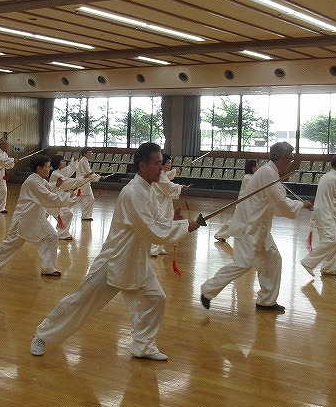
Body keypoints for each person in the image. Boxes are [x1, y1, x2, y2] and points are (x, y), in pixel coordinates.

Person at [29, 143, 205, 361]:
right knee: (81, 301)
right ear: (143, 165)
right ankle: (41, 335)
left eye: (162, 163)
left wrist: (176, 222)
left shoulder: (149, 189)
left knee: (156, 298)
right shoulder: (132, 192)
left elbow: (157, 221)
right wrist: (185, 226)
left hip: (136, 260)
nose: (162, 168)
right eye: (158, 163)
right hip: (115, 260)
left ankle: (142, 345)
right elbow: (152, 230)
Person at [199, 143, 311, 313]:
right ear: (282, 158)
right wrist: (302, 205)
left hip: (259, 227)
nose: (291, 162)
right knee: (243, 263)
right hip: (249, 226)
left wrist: (297, 205)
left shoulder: (270, 173)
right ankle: (208, 290)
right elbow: (281, 203)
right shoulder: (268, 173)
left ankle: (266, 300)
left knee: (273, 259)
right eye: (290, 158)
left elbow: (275, 203)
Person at [0, 154, 76, 277]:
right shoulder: (33, 182)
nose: (48, 169)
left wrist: (57, 185)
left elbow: (49, 188)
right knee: (12, 243)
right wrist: (69, 197)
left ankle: (49, 268)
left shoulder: (40, 180)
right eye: (46, 167)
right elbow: (49, 198)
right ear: (39, 168)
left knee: (52, 236)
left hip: (37, 217)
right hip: (24, 219)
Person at [49, 153, 94, 240]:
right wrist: (83, 177)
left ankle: (62, 232)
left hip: (57, 199)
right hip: (53, 200)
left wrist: (74, 161)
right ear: (58, 163)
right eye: (62, 161)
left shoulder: (60, 171)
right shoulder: (56, 174)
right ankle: (61, 233)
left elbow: (70, 169)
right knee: (67, 213)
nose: (64, 162)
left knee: (66, 213)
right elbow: (69, 182)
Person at [214, 159, 258, 242]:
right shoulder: (248, 177)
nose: (257, 168)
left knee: (242, 222)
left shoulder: (252, 177)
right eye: (255, 166)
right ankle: (220, 235)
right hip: (244, 203)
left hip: (249, 204)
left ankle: (222, 235)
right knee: (236, 221)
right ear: (251, 167)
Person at [149, 154, 184, 256]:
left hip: (165, 202)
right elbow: (168, 187)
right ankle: (153, 248)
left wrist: (176, 171)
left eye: (170, 162)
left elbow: (168, 175)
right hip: (159, 202)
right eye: (168, 162)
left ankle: (160, 247)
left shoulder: (162, 173)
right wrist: (180, 187)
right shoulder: (159, 175)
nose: (169, 164)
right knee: (160, 224)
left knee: (167, 223)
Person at [75, 148, 97, 220]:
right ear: (84, 153)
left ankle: (86, 216)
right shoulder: (84, 161)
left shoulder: (84, 161)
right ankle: (85, 216)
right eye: (89, 152)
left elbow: (89, 173)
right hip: (83, 183)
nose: (91, 154)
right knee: (76, 200)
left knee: (89, 199)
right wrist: (98, 177)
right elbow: (89, 172)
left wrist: (98, 177)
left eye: (91, 153)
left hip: (85, 183)